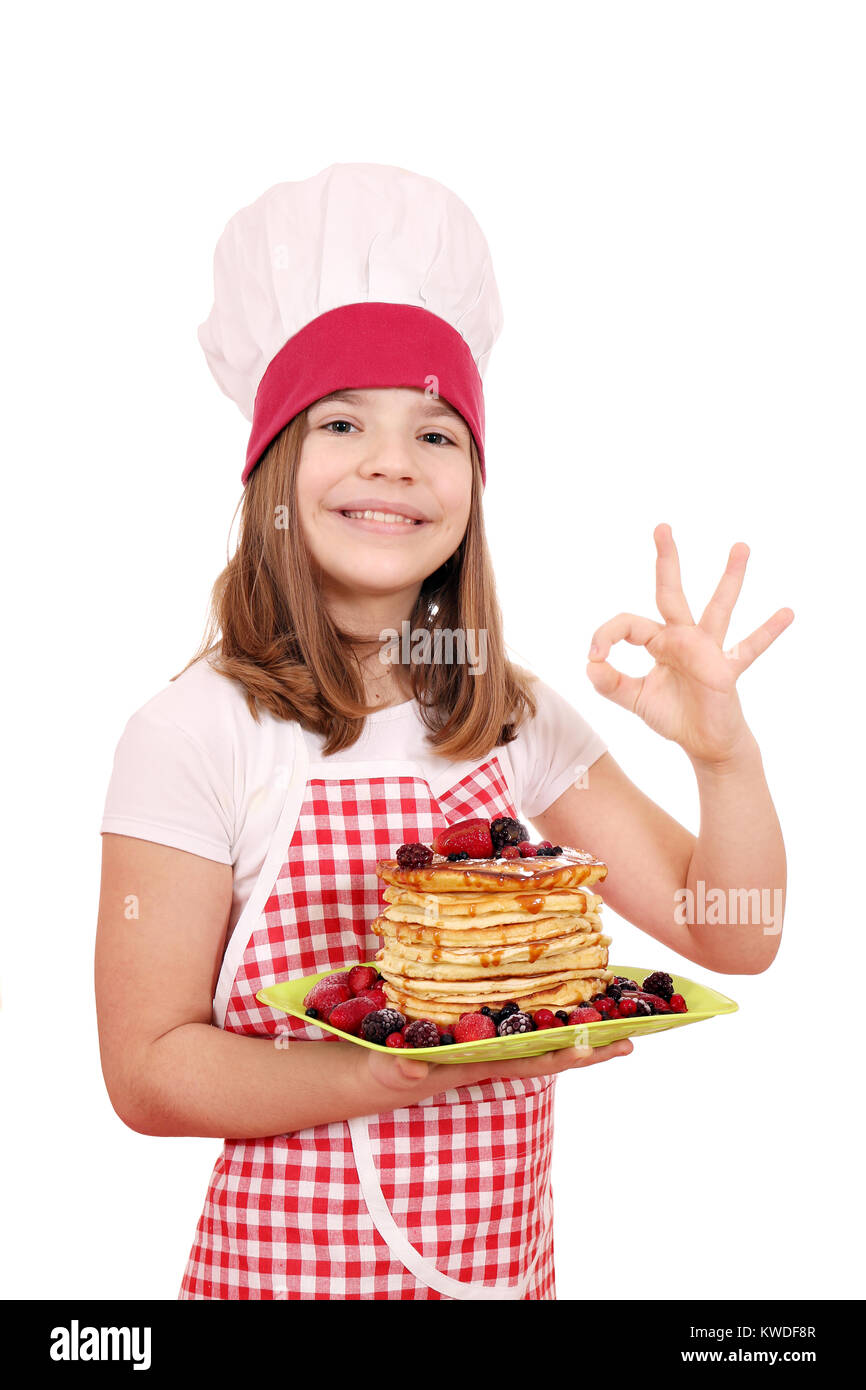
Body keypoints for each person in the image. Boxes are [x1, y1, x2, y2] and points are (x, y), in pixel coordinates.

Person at [95, 163, 791, 1301]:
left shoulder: (508, 716)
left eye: (437, 432)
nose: (392, 463)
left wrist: (723, 754)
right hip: (285, 1281)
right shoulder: (196, 730)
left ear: (472, 480)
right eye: (340, 421)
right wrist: (390, 1073)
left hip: (503, 1280)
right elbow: (146, 1072)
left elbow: (735, 934)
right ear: (272, 470)